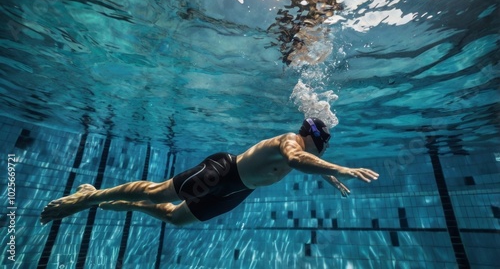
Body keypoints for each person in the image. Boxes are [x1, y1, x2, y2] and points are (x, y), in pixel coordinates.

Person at [41, 118, 379, 226]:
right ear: (314, 138)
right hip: (223, 171)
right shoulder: (291, 141)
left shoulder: (307, 152)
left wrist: (331, 176)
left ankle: (123, 205)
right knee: (158, 192)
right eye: (325, 148)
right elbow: (295, 160)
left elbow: (309, 164)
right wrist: (341, 168)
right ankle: (86, 199)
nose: (324, 154)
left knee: (176, 219)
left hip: (238, 191)